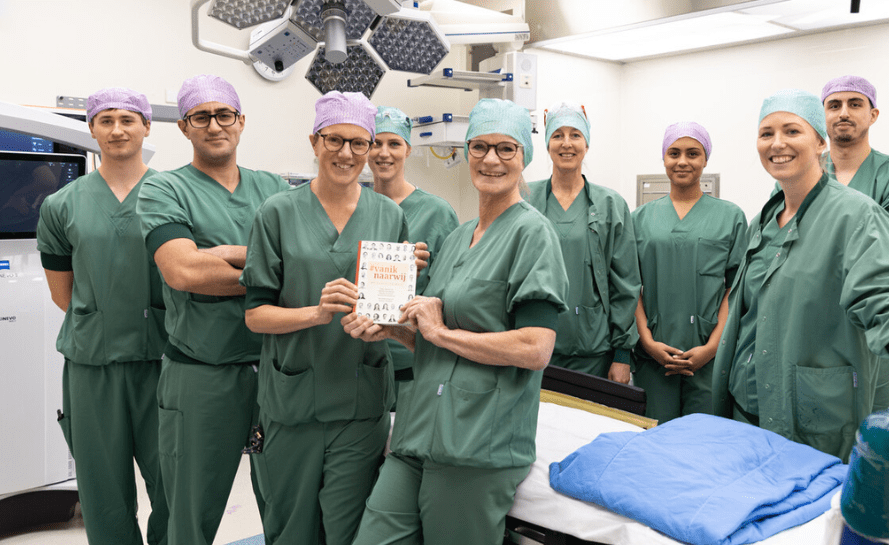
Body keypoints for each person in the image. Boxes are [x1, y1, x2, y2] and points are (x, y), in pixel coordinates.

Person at [712, 89, 889, 462]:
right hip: (747, 408)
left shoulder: (856, 216)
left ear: (820, 143)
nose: (777, 143)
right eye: (766, 133)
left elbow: (887, 298)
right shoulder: (763, 221)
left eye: (792, 131)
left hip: (809, 415)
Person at [347, 98, 569, 545]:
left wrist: (442, 333)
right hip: (416, 432)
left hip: (476, 444)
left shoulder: (533, 233)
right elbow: (432, 339)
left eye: (506, 149)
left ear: (524, 156)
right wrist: (393, 328)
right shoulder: (457, 236)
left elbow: (535, 348)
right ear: (466, 152)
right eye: (480, 147)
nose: (491, 159)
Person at [241, 92, 411, 545]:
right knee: (290, 528)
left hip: (361, 401)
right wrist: (314, 314)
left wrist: (391, 320)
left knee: (351, 530)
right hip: (291, 401)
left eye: (359, 144)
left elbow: (394, 314)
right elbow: (255, 315)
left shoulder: (390, 217)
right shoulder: (277, 212)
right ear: (315, 142)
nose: (346, 153)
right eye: (335, 140)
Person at [136, 74, 288, 545]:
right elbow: (184, 272)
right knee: (188, 512)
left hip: (278, 371)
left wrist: (226, 253)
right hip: (202, 374)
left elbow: (306, 265)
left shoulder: (276, 189)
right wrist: (272, 272)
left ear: (241, 121)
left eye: (224, 115)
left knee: (288, 504)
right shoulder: (163, 190)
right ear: (184, 127)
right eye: (201, 117)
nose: (214, 125)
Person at [36, 87, 168, 545]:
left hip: (167, 360)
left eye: (128, 119)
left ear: (147, 126)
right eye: (105, 119)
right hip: (93, 366)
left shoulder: (176, 195)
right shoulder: (61, 206)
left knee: (175, 486)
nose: (116, 129)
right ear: (91, 129)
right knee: (102, 492)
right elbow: (63, 294)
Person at [822, 75, 889, 411]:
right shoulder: (801, 176)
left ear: (873, 114)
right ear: (822, 115)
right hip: (816, 328)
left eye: (855, 104)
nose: (843, 113)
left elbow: (888, 249)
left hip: (876, 323)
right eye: (834, 105)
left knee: (882, 441)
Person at [632, 122, 747, 423]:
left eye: (692, 153)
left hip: (710, 358)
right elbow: (630, 288)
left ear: (705, 159)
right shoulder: (640, 219)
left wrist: (711, 348)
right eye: (674, 153)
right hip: (654, 357)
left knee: (705, 444)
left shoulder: (730, 216)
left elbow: (735, 291)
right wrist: (647, 342)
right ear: (664, 159)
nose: (682, 161)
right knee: (655, 441)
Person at [525, 103, 639, 382]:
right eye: (557, 135)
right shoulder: (525, 199)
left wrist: (622, 354)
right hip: (532, 347)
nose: (566, 143)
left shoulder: (610, 205)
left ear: (586, 143)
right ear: (547, 144)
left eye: (575, 135)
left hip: (594, 350)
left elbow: (625, 283)